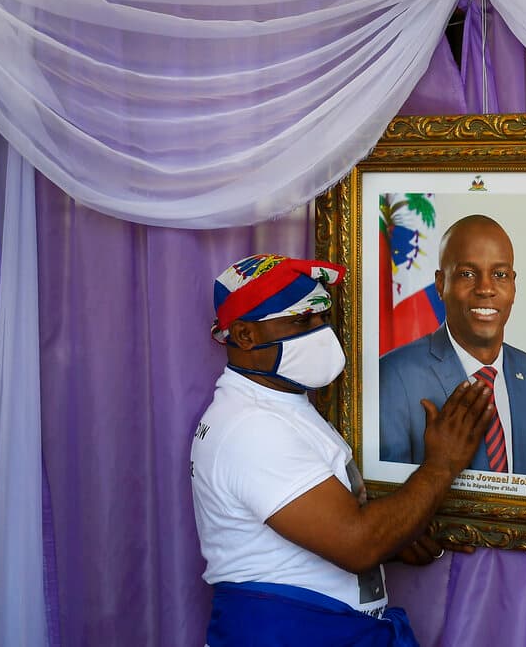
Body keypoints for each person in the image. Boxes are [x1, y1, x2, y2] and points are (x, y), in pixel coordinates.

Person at [190, 253, 494, 646]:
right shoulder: (252, 427)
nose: (321, 331)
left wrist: (396, 539)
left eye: (322, 318)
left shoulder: (279, 406)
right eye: (302, 320)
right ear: (245, 335)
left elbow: (311, 540)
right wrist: (441, 465)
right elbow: (357, 543)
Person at [379, 215, 526, 479]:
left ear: (514, 285)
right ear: (441, 284)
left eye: (500, 274)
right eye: (467, 274)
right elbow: (386, 505)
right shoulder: (393, 377)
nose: (486, 289)